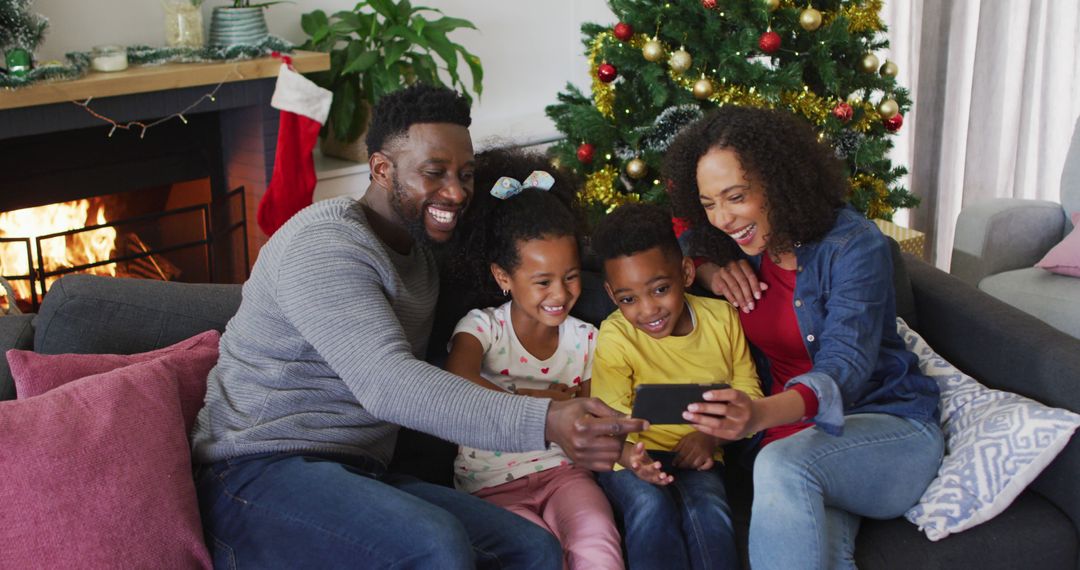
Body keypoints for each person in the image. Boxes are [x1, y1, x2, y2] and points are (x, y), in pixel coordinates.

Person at [189, 84, 646, 569]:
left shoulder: (423, 252)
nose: (455, 191)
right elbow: (387, 384)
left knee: (532, 549)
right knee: (434, 544)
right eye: (434, 173)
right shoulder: (324, 245)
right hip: (255, 475)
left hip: (360, 473)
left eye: (465, 174)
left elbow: (538, 244)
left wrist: (693, 267)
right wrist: (549, 421)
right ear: (382, 169)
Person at [666, 105, 944, 570]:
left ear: (779, 181)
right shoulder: (743, 246)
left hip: (886, 429)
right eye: (710, 202)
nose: (723, 219)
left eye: (736, 197)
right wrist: (711, 270)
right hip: (799, 443)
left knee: (779, 464)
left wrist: (756, 414)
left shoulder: (855, 246)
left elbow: (844, 367)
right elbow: (678, 239)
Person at [443, 147, 624, 570]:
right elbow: (456, 385)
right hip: (488, 487)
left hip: (564, 476)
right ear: (503, 277)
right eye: (542, 281)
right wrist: (543, 401)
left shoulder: (587, 340)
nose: (560, 294)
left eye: (571, 276)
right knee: (536, 551)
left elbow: (591, 414)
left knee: (597, 538)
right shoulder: (481, 329)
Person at [589, 203, 763, 570]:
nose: (648, 310)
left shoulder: (721, 320)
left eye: (660, 289)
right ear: (611, 295)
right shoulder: (616, 335)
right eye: (628, 299)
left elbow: (750, 394)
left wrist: (711, 439)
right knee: (651, 507)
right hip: (632, 458)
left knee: (710, 514)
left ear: (685, 272)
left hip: (701, 453)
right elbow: (610, 419)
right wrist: (633, 458)